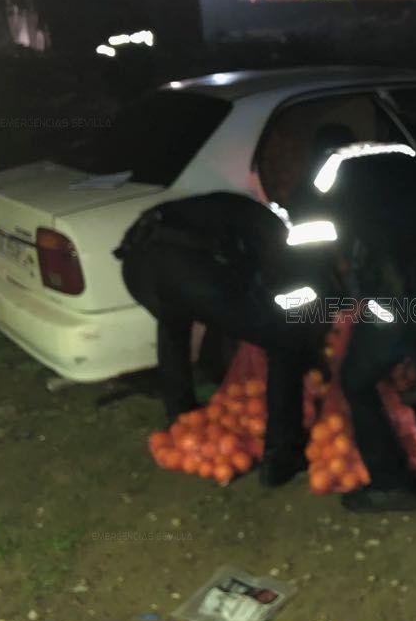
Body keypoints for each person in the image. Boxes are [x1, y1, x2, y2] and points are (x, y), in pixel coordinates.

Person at [287, 149, 416, 512]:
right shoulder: (401, 166)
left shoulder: (323, 193)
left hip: (402, 299)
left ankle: (390, 485)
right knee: (407, 341)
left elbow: (313, 261)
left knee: (356, 380)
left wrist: (322, 305)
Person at [115, 192, 332, 488]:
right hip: (186, 270)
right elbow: (289, 283)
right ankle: (282, 456)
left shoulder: (230, 209)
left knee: (173, 324)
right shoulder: (272, 228)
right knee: (284, 342)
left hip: (137, 266)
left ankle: (181, 416)